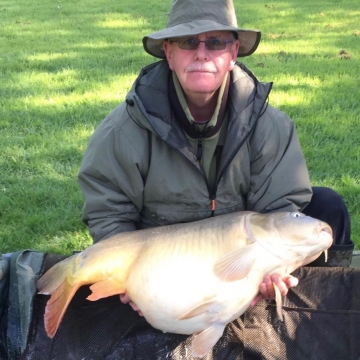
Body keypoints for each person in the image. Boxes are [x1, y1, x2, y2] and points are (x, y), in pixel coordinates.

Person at [78, 0, 354, 313]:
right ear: (168, 53)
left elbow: (277, 213)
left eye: (215, 42)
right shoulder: (123, 131)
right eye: (187, 42)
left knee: (326, 207)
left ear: (233, 53)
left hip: (236, 254)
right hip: (164, 259)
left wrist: (272, 269)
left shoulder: (269, 126)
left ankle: (327, 309)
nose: (201, 53)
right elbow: (110, 214)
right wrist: (130, 277)